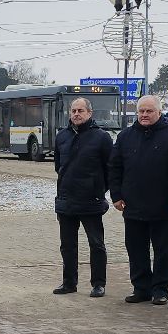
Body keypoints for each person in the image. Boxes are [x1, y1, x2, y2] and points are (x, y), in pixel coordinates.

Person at [109, 95, 168, 305]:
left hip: (163, 206)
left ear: (159, 113)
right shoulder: (125, 136)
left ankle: (160, 289)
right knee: (136, 250)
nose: (144, 115)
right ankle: (141, 288)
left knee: (164, 251)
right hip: (133, 205)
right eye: (141, 111)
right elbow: (115, 167)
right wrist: (116, 195)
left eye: (149, 111)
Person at [53, 98, 113, 297]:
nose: (76, 114)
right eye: (73, 110)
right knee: (67, 246)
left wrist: (98, 189)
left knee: (96, 244)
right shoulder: (62, 136)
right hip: (66, 201)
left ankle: (98, 284)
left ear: (89, 113)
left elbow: (109, 169)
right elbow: (58, 167)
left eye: (81, 110)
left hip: (91, 202)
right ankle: (69, 283)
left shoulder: (101, 137)